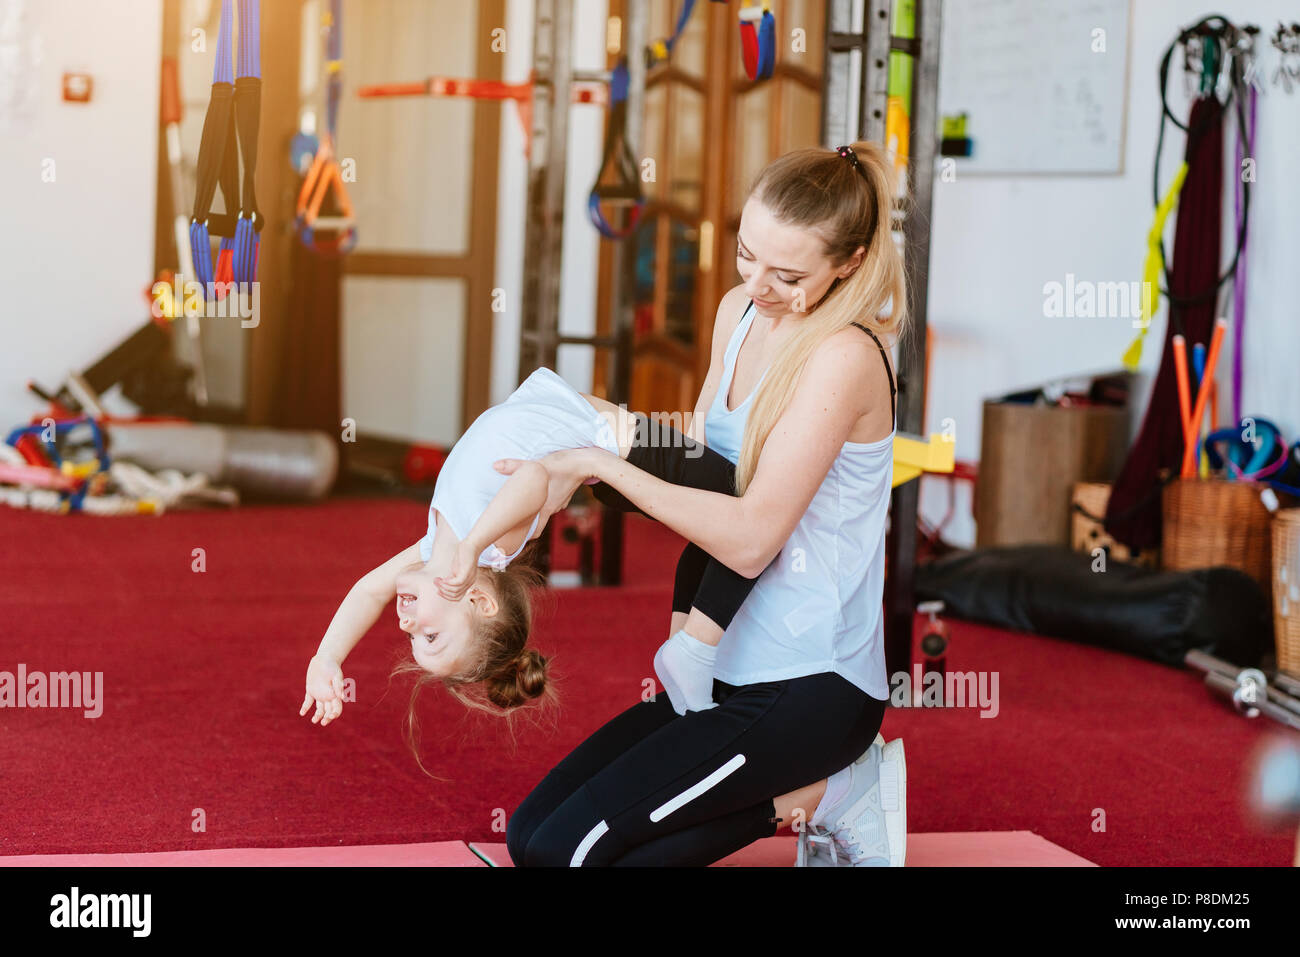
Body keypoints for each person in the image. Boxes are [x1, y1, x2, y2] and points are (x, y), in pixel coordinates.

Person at [499, 142, 909, 866]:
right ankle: (826, 788)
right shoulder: (738, 313)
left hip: (809, 685)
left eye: (788, 274)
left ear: (847, 263)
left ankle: (835, 786)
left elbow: (751, 536)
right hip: (720, 668)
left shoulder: (844, 355)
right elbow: (703, 459)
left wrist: (603, 461)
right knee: (531, 832)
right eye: (746, 253)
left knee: (573, 853)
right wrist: (598, 425)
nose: (757, 283)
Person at [299, 365, 769, 734]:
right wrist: (476, 543)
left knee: (716, 528)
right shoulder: (492, 547)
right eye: (430, 637)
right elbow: (532, 477)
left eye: (414, 640)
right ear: (479, 601)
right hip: (626, 444)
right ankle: (693, 648)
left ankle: (685, 639)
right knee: (744, 502)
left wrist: (327, 659)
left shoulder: (434, 546)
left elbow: (366, 591)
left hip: (597, 445)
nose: (406, 626)